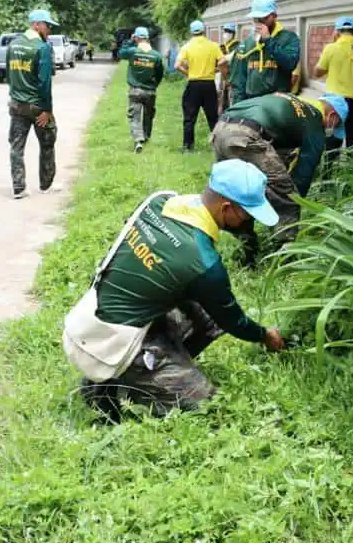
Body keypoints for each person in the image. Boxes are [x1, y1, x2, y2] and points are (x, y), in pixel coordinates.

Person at [63, 159, 287, 421]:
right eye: (247, 214)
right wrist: (264, 335)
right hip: (108, 348)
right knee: (205, 406)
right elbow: (233, 319)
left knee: (207, 311)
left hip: (89, 322)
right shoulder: (202, 261)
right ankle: (118, 385)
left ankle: (161, 366)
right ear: (226, 208)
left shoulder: (160, 201)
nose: (250, 222)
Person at [211, 92, 348, 266]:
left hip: (221, 128)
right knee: (288, 194)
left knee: (238, 192)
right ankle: (284, 257)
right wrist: (291, 200)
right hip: (246, 136)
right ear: (333, 117)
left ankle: (247, 251)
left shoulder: (293, 101)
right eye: (336, 126)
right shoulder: (314, 122)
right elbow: (303, 175)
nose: (332, 129)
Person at [6, 9, 59, 199]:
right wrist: (47, 110)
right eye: (47, 25)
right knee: (48, 141)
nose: (49, 30)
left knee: (16, 146)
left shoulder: (13, 44)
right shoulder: (42, 47)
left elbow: (9, 76)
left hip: (17, 105)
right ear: (36, 24)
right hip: (37, 107)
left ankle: (18, 187)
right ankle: (46, 185)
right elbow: (45, 82)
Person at [219, 0, 301, 108]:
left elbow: (290, 63)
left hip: (278, 104)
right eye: (256, 19)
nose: (259, 22)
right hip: (252, 104)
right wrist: (238, 107)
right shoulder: (247, 43)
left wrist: (268, 41)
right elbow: (238, 80)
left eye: (263, 18)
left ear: (274, 16)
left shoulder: (289, 38)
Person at [315, 16, 353, 151]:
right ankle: (352, 172)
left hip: (334, 105)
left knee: (331, 147)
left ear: (337, 32)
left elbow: (317, 73)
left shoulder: (331, 48)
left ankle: (330, 171)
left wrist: (331, 44)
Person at [174, 20, 224, 153]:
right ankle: (217, 146)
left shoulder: (187, 46)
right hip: (209, 84)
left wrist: (188, 73)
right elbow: (223, 61)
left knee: (189, 117)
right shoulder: (213, 46)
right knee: (213, 117)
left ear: (191, 32)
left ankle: (188, 147)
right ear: (204, 31)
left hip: (193, 84)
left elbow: (177, 65)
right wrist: (217, 71)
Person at [119, 27, 165, 153]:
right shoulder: (156, 55)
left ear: (137, 38)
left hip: (135, 90)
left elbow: (121, 53)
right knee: (148, 115)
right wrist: (155, 85)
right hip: (150, 91)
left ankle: (138, 140)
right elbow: (160, 73)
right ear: (147, 38)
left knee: (134, 116)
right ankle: (146, 136)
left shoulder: (133, 51)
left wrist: (129, 41)